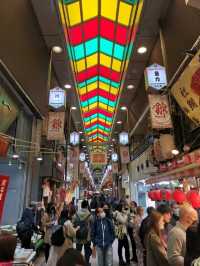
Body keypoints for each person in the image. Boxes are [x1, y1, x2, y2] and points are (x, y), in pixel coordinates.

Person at [73, 200, 92, 266]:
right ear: (87, 206)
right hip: (87, 236)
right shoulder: (89, 215)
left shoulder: (76, 214)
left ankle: (79, 263)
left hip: (78, 235)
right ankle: (86, 263)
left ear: (81, 206)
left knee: (78, 250)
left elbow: (73, 223)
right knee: (87, 250)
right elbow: (92, 224)